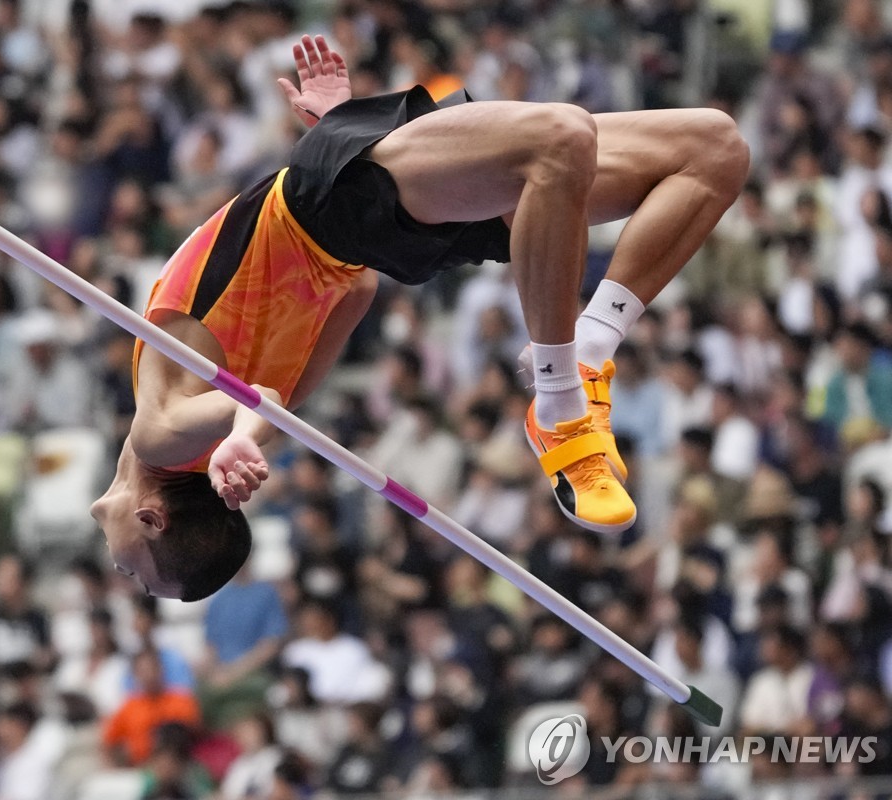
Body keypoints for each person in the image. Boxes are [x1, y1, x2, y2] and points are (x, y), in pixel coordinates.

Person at [91, 34, 749, 601]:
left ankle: (589, 347)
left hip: (369, 211)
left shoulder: (180, 420)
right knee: (564, 138)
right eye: (137, 575)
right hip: (344, 203)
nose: (121, 571)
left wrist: (343, 134)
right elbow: (256, 399)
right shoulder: (159, 436)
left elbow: (353, 296)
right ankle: (559, 394)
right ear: (152, 520)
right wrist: (243, 434)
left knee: (714, 149)